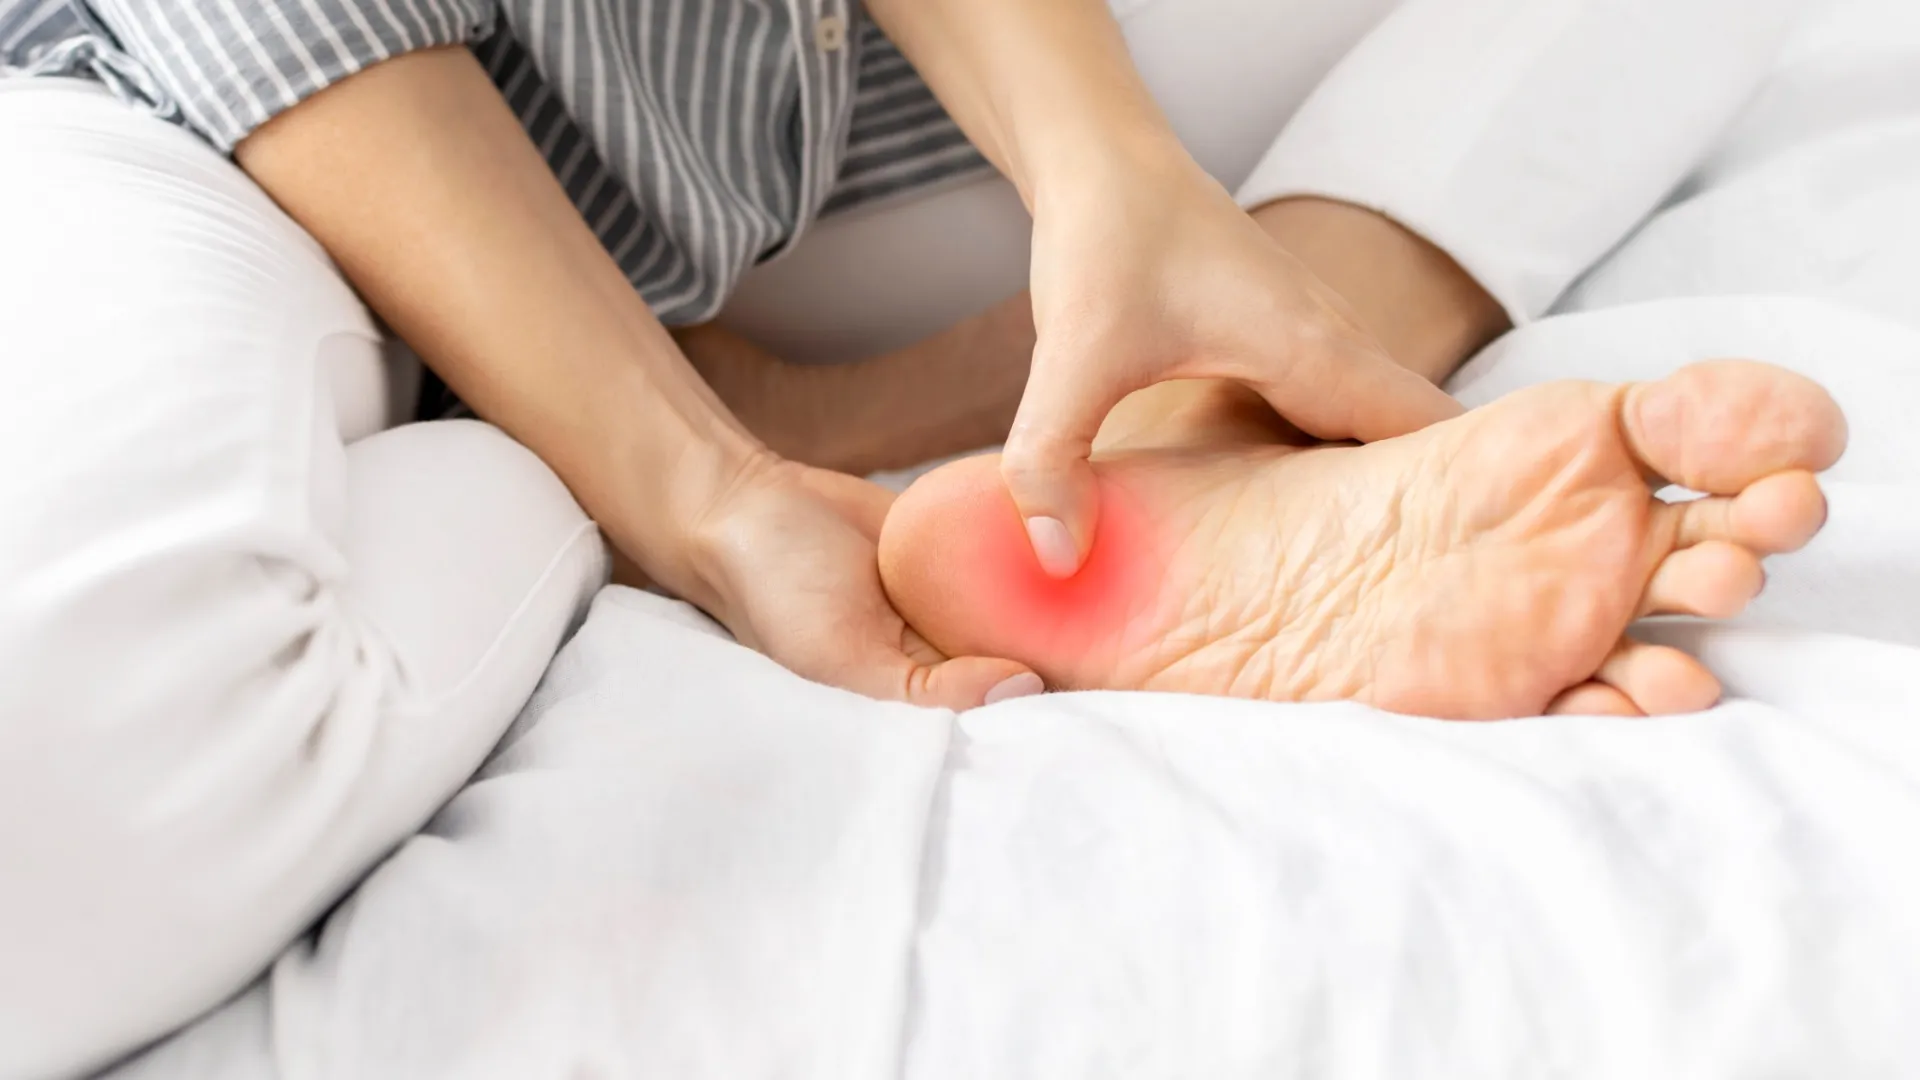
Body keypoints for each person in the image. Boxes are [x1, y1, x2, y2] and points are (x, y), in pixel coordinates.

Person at [0, 0, 1813, 1074]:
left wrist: (1106, 172)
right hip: (224, 125)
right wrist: (687, 485)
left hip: (846, 126)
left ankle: (1219, 383)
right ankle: (592, 426)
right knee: (56, 827)